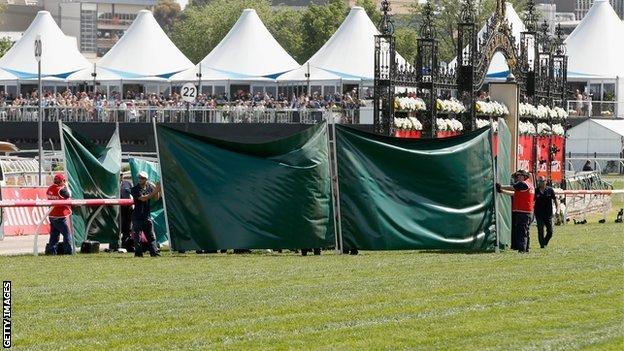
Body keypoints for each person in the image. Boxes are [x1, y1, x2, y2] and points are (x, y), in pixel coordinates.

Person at [497, 170, 535, 253]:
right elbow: (514, 194)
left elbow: (512, 188)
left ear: (524, 176)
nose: (517, 178)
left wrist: (500, 186)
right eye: (517, 176)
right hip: (529, 212)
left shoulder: (523, 184)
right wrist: (502, 191)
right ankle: (526, 248)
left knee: (521, 231)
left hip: (523, 212)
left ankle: (522, 250)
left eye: (519, 176)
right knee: (525, 231)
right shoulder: (530, 185)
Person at [131, 171, 161, 257]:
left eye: (142, 178)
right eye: (139, 177)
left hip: (147, 216)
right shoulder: (135, 189)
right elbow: (143, 199)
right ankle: (138, 254)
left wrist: (157, 189)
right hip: (137, 216)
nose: (140, 179)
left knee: (151, 236)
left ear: (146, 179)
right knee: (137, 237)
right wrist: (156, 190)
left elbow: (156, 198)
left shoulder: (149, 187)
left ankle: (154, 252)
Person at [46, 173, 74, 255]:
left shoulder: (49, 189)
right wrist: (66, 186)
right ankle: (68, 251)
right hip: (60, 216)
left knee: (54, 235)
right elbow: (68, 195)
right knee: (67, 234)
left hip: (51, 215)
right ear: (62, 181)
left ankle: (52, 251)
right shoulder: (62, 190)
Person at [534, 176, 560, 248]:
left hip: (548, 214)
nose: (540, 183)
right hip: (539, 214)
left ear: (545, 181)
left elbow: (555, 200)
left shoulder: (550, 190)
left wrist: (558, 210)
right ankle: (542, 246)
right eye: (539, 181)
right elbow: (531, 200)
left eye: (542, 181)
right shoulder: (536, 191)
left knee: (550, 232)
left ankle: (544, 242)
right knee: (540, 230)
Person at [119, 173, 134, 251]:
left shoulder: (127, 183)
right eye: (119, 174)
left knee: (127, 227)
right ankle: (115, 245)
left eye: (121, 174)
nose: (121, 176)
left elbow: (132, 193)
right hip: (118, 209)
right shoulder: (114, 184)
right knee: (118, 227)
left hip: (128, 209)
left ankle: (126, 244)